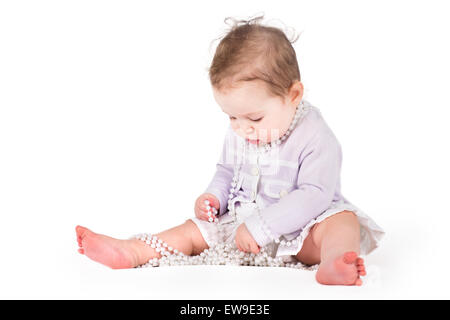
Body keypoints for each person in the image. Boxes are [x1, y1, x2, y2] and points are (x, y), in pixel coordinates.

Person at [76, 15, 385, 286]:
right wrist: (214, 197)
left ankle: (334, 262)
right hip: (240, 225)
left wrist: (263, 226)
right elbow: (227, 171)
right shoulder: (241, 130)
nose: (241, 128)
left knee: (341, 222)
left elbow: (314, 193)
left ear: (293, 95)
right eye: (231, 117)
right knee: (193, 231)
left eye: (254, 118)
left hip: (303, 233)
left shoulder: (316, 135)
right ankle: (133, 251)